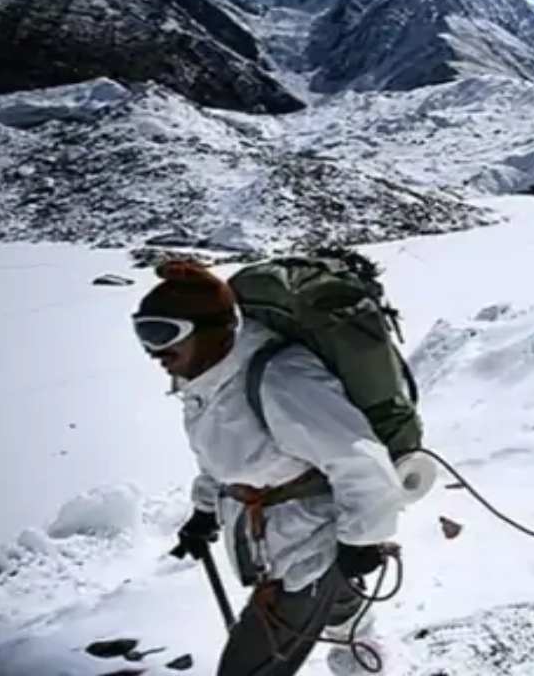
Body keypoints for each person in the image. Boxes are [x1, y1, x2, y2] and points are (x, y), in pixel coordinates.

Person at [132, 261, 409, 676]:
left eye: (164, 333)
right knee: (342, 612)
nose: (155, 350)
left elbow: (360, 462)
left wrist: (359, 543)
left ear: (215, 329)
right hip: (274, 538)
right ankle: (363, 666)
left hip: (308, 547)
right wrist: (205, 510)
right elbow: (225, 457)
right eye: (144, 333)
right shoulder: (210, 380)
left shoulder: (280, 378)